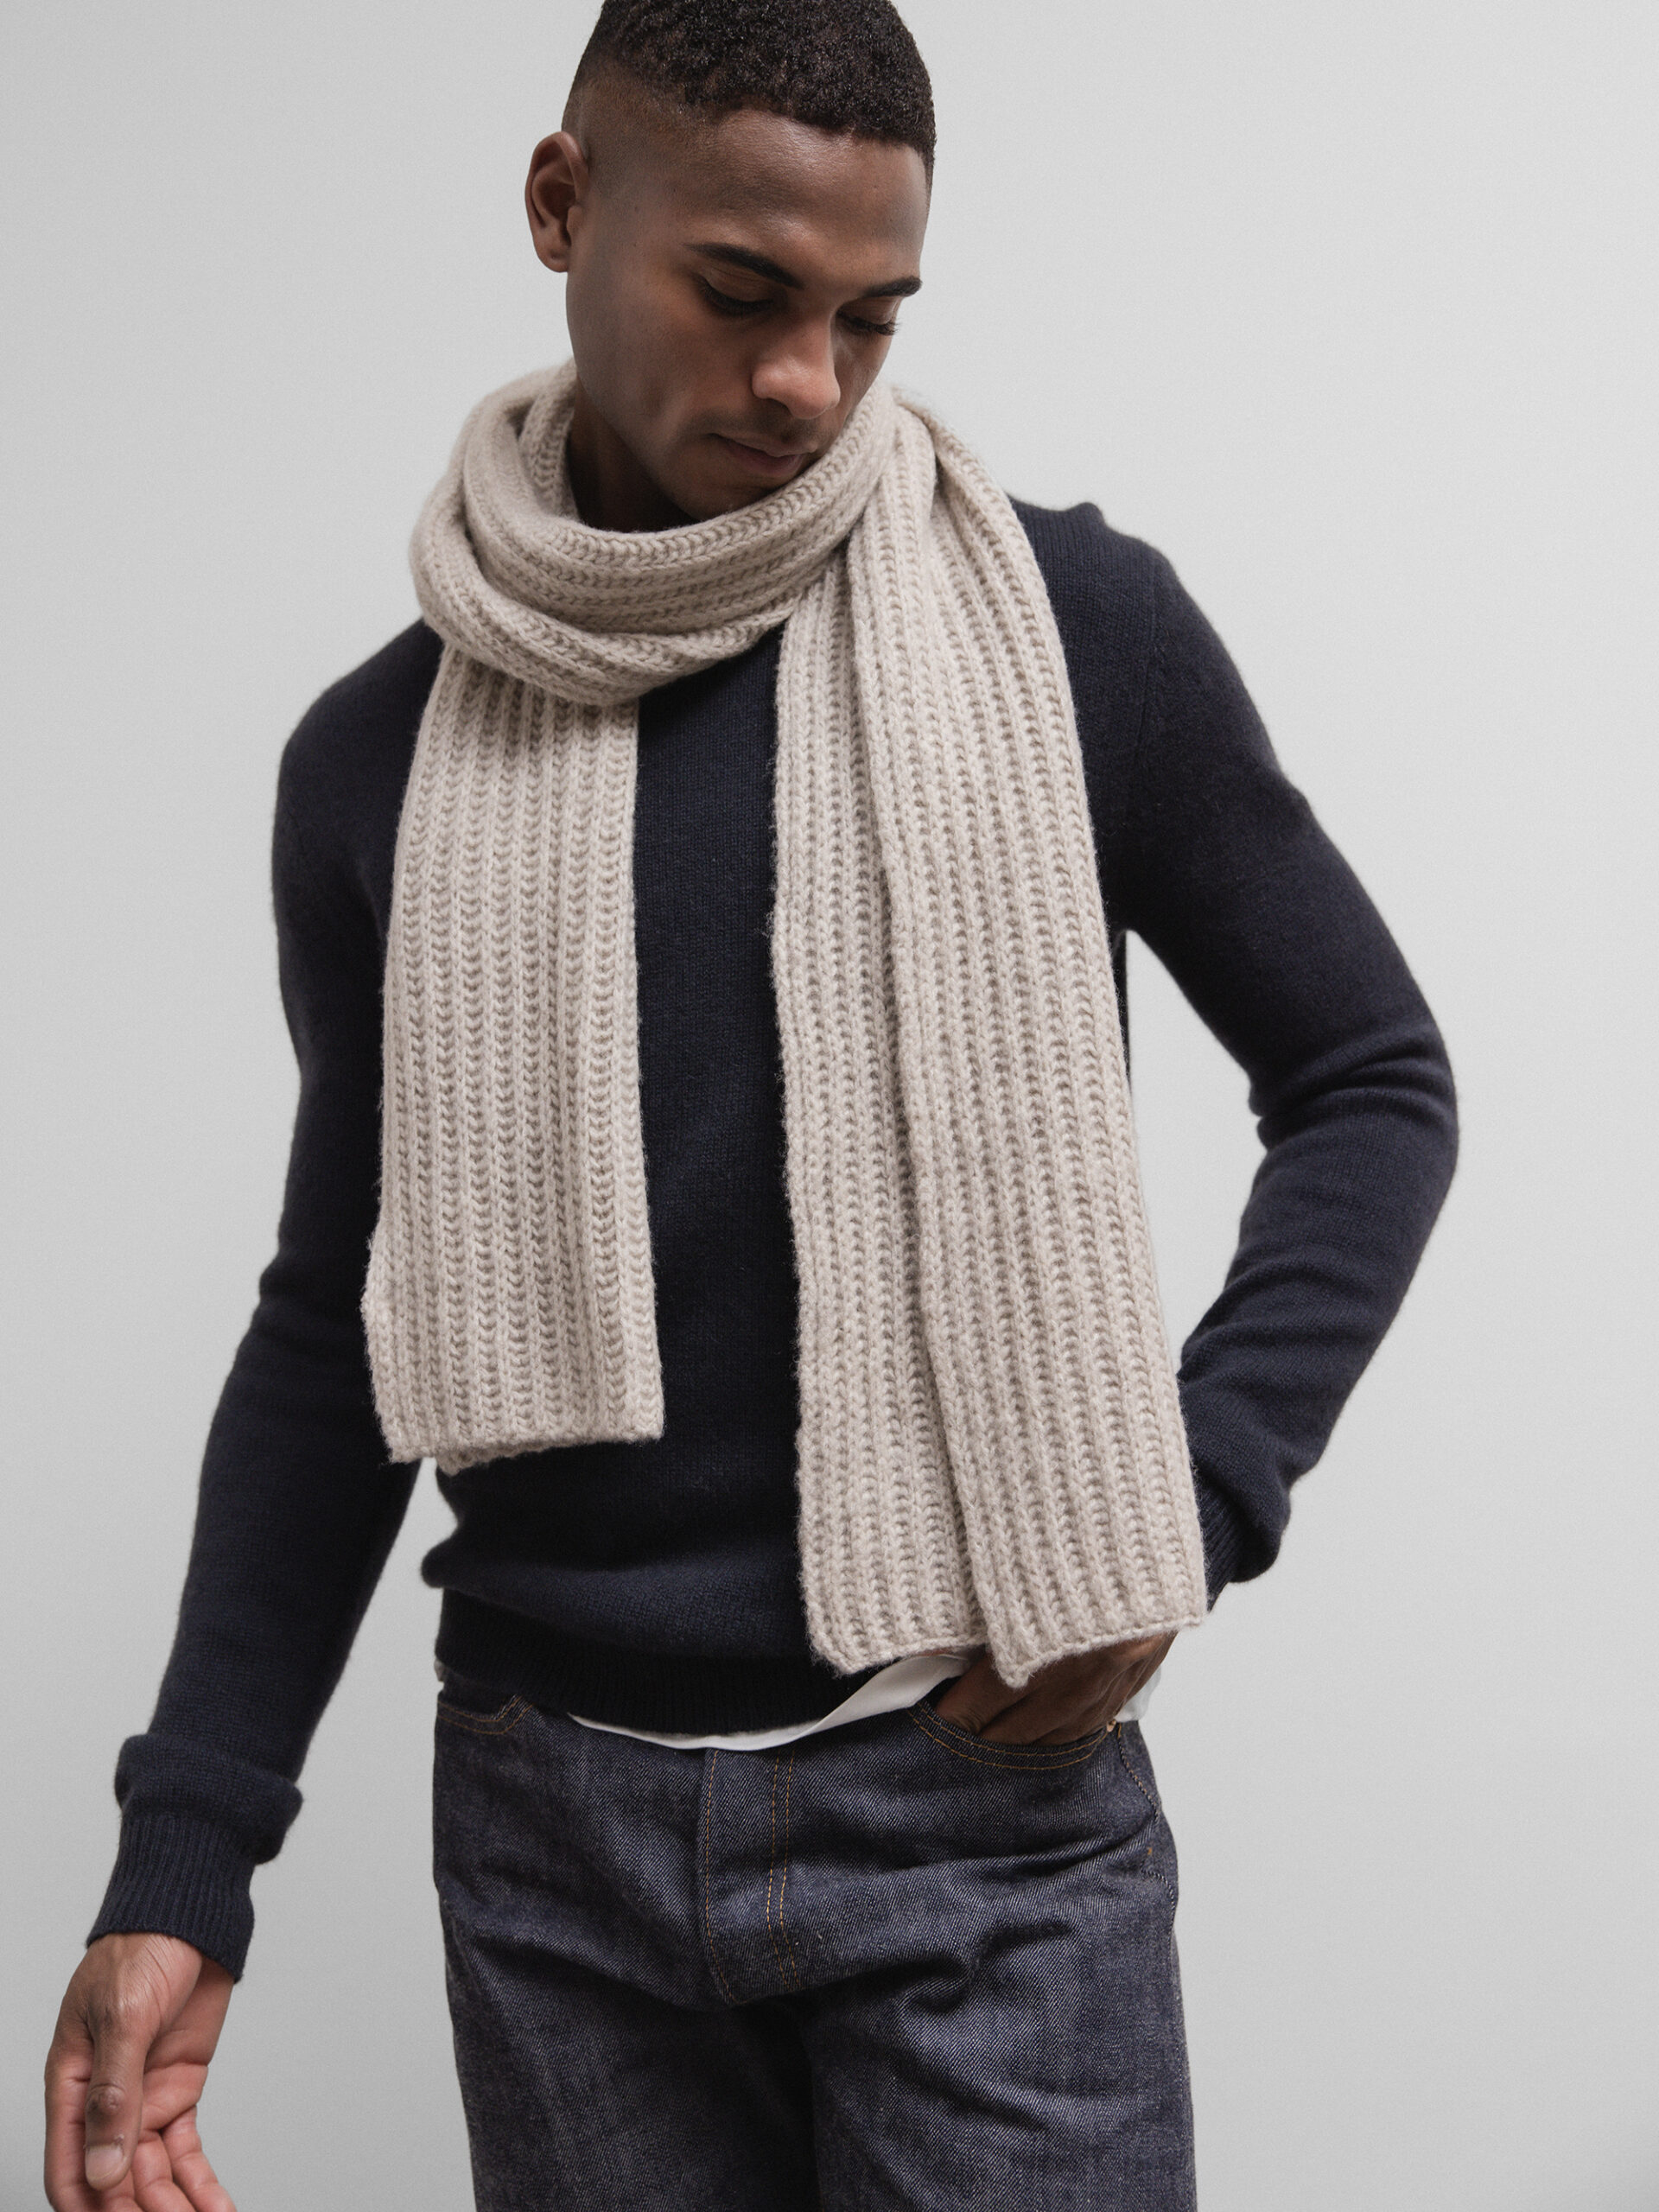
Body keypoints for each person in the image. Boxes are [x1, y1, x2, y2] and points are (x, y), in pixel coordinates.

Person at [44, 3, 1458, 2206]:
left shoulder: (1070, 632)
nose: (808, 378)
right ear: (563, 203)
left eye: (870, 317)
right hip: (555, 1843)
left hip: (983, 1818)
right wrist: (183, 1854)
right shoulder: (374, 766)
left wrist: (1191, 1492)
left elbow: (1370, 1077)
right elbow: (339, 1327)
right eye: (743, 290)